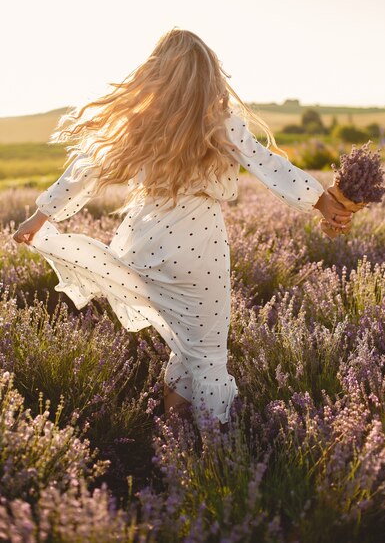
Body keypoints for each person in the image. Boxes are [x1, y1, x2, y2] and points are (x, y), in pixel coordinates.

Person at [12, 28, 352, 432]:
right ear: (209, 74)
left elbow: (85, 169)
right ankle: (212, 454)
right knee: (207, 355)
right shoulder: (221, 119)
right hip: (200, 247)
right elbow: (268, 165)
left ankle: (174, 440)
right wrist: (322, 201)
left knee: (182, 347)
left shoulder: (140, 119)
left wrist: (40, 217)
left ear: (157, 71)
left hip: (146, 241)